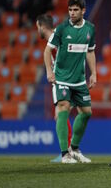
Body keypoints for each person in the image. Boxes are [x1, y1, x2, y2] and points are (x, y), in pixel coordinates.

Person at [44, 0, 96, 164]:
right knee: (63, 107)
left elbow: (90, 51)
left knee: (87, 112)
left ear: (83, 11)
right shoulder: (61, 29)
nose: (72, 13)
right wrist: (49, 72)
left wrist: (93, 73)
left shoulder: (90, 29)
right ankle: (64, 153)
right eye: (70, 10)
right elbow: (47, 51)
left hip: (79, 80)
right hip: (62, 79)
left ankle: (74, 148)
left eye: (75, 10)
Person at [36, 14, 74, 163]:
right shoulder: (54, 39)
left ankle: (68, 152)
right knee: (60, 115)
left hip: (63, 80)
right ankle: (68, 151)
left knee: (61, 114)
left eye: (37, 27)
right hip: (62, 80)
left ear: (42, 26)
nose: (37, 30)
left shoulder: (57, 36)